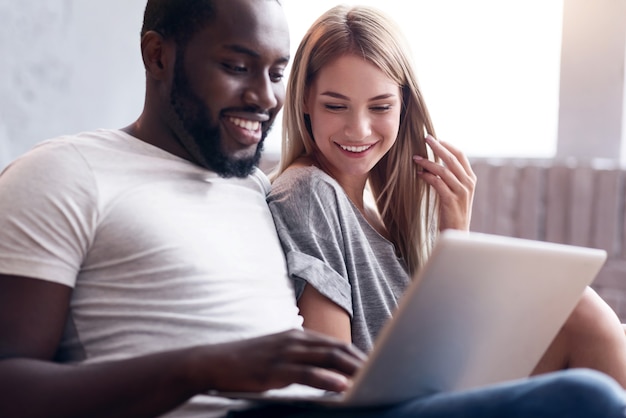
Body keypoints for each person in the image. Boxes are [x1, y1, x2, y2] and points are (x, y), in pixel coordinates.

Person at [0, 1, 625, 418]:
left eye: (275, 73)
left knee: (584, 317)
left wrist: (453, 241)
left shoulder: (250, 189)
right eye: (236, 67)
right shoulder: (66, 172)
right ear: (157, 55)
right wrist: (208, 364)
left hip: (307, 405)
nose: (263, 97)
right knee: (585, 397)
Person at [267, 3, 626, 389]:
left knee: (593, 317)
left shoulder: (376, 213)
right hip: (395, 404)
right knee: (581, 313)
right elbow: (334, 375)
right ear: (304, 100)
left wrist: (453, 238)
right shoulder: (308, 192)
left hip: (427, 386)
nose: (359, 129)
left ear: (404, 105)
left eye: (380, 106)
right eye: (335, 106)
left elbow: (433, 343)